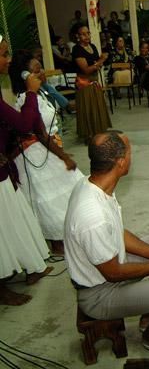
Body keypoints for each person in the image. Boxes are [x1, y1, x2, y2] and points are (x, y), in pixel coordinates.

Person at [64, 131, 149, 361]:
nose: (131, 155)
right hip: (99, 293)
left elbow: (119, 234)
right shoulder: (91, 215)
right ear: (121, 162)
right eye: (129, 150)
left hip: (112, 265)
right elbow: (113, 273)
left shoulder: (93, 184)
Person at [8, 50, 84, 255]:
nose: (41, 74)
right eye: (36, 71)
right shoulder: (28, 98)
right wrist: (64, 156)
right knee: (51, 199)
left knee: (66, 191)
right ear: (26, 76)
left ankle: (64, 239)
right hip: (38, 151)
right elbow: (41, 133)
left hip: (48, 146)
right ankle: (57, 244)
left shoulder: (41, 92)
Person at [0, 35, 53, 305]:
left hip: (3, 168)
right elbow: (23, 125)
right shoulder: (24, 95)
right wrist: (31, 93)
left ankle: (31, 267)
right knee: (4, 227)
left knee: (14, 219)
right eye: (3, 54)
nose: (7, 60)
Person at [71, 25, 112, 143]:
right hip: (84, 83)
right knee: (87, 109)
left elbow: (94, 64)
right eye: (83, 34)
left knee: (96, 108)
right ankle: (89, 135)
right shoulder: (77, 49)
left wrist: (99, 62)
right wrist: (101, 61)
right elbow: (86, 69)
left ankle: (98, 133)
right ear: (78, 37)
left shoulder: (93, 46)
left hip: (94, 81)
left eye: (88, 33)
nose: (87, 36)